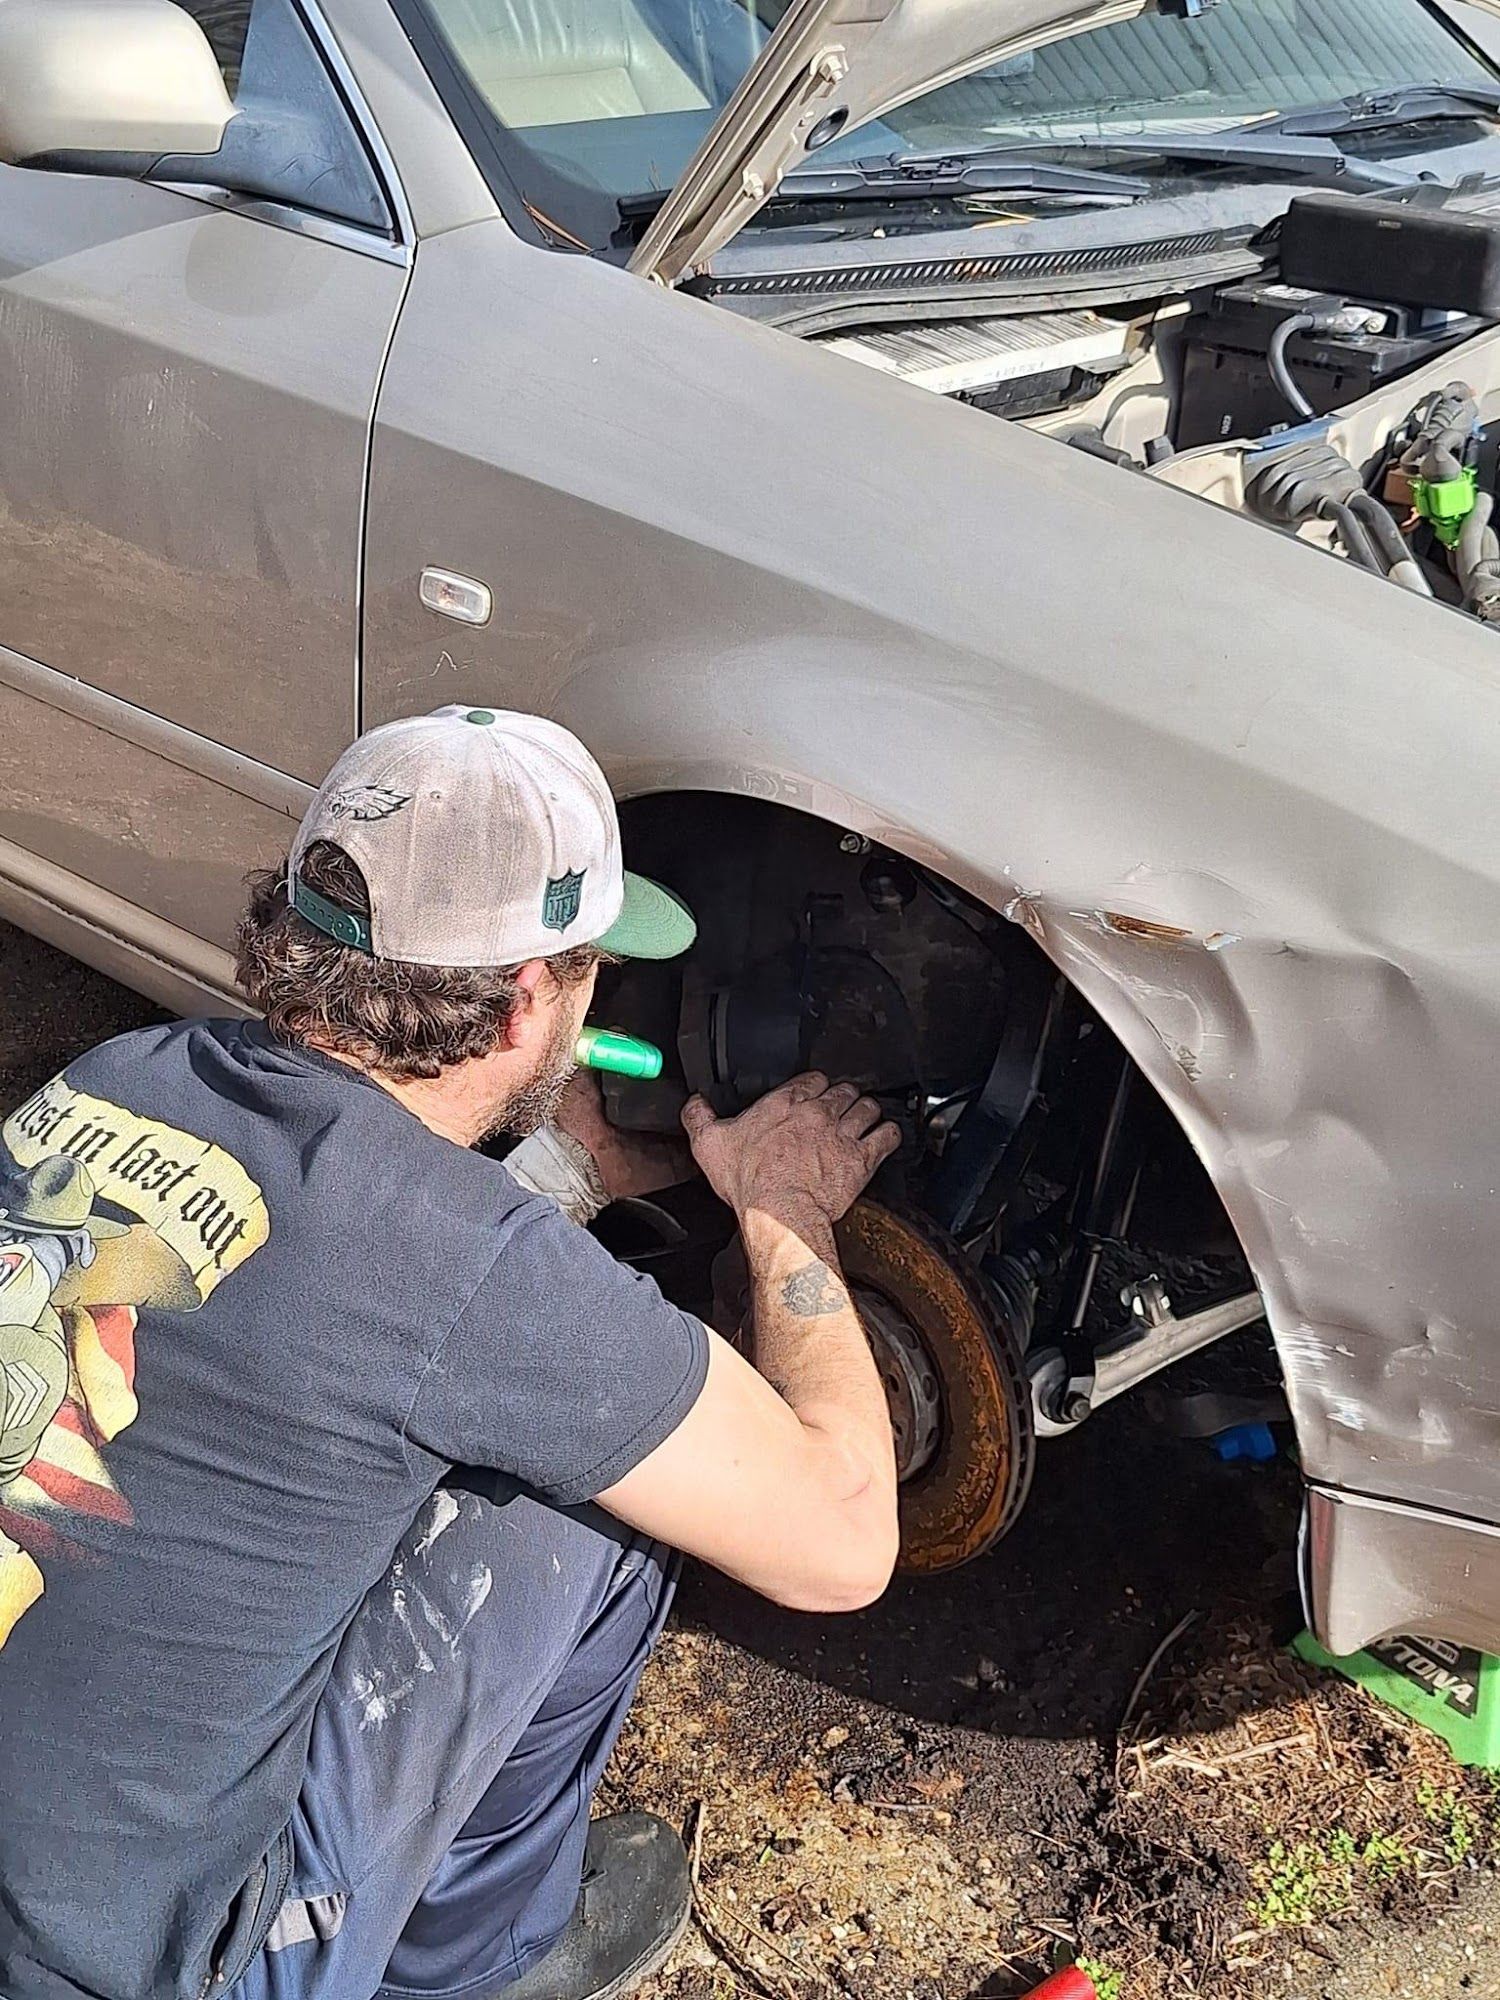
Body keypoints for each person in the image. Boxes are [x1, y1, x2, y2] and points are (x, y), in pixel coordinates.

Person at [0, 705, 900, 2000]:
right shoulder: (480, 1275)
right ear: (533, 994)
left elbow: (338, 1281)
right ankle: (476, 1966)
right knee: (584, 1515)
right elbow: (846, 1539)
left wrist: (564, 1166)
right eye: (592, 966)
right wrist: (785, 1207)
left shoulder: (113, 1079)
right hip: (142, 1973)